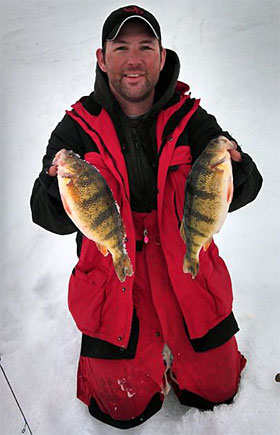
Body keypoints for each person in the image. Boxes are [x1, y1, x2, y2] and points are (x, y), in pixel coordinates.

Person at [30, 5, 263, 429]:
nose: (133, 60)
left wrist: (238, 169)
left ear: (161, 55)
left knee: (217, 389)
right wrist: (54, 191)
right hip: (115, 281)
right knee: (120, 406)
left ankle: (180, 352)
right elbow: (46, 215)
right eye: (121, 48)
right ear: (102, 58)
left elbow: (246, 186)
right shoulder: (75, 128)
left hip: (186, 272)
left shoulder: (193, 119)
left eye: (145, 47)